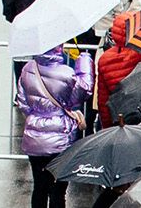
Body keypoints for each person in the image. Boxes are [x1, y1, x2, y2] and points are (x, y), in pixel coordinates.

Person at [17, 45, 90, 208]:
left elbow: (22, 102)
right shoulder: (66, 73)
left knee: (39, 187)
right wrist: (84, 62)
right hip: (61, 139)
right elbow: (83, 92)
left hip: (34, 138)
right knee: (58, 191)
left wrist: (36, 117)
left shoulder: (29, 68)